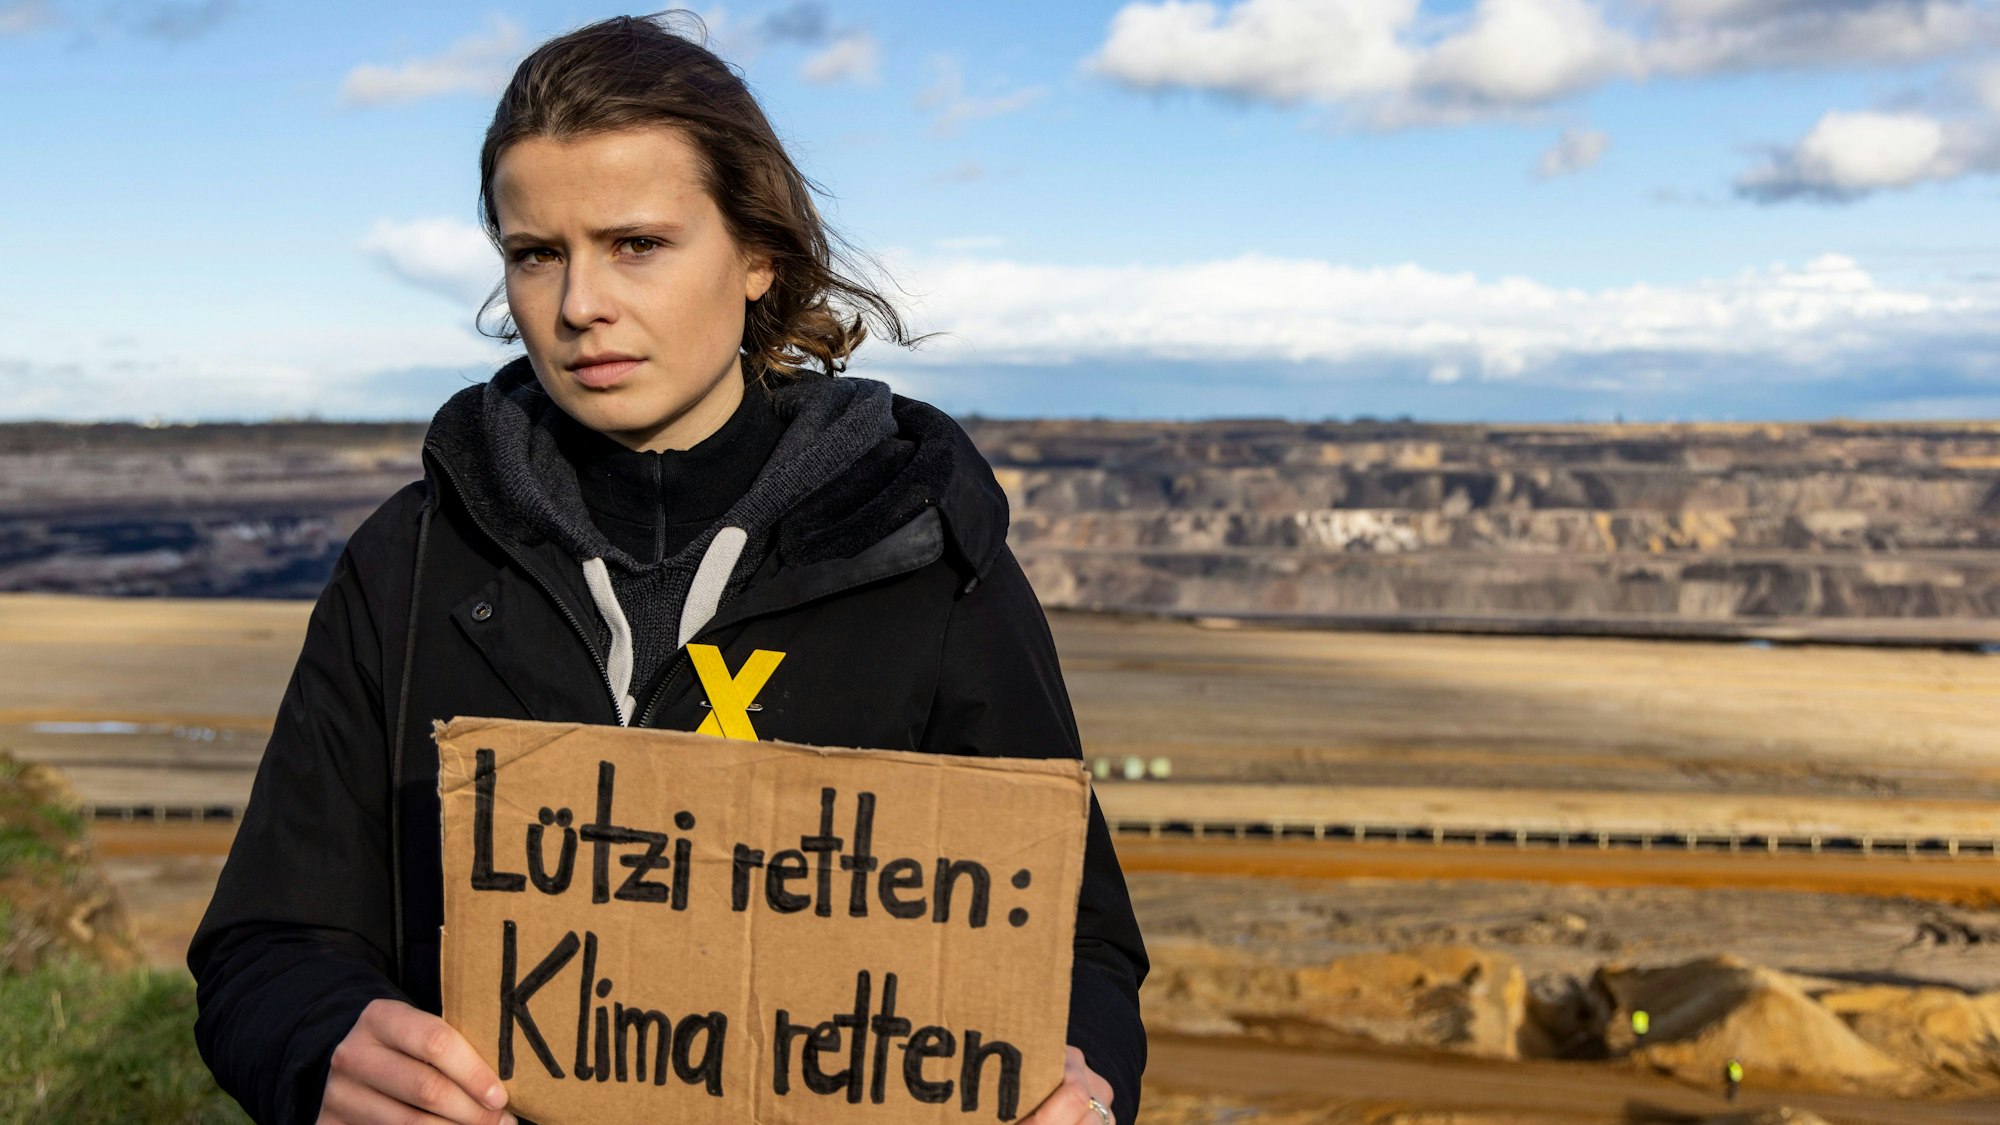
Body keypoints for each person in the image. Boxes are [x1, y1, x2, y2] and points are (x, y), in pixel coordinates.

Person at [187, 14, 1147, 1125]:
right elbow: (268, 943)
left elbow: (1075, 940)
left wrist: (1078, 1082)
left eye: (634, 244)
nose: (577, 304)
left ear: (756, 256)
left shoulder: (923, 559)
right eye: (535, 253)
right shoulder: (409, 566)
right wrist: (325, 1046)